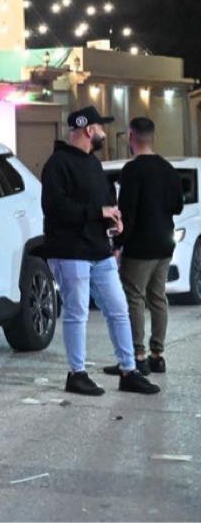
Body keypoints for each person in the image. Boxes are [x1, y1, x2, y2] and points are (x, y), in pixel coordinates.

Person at [40, 106, 159, 396]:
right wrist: (98, 212)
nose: (105, 134)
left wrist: (113, 221)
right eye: (101, 128)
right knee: (76, 312)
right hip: (70, 251)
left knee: (119, 309)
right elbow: (54, 207)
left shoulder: (93, 164)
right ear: (89, 129)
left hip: (99, 250)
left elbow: (104, 202)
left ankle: (129, 371)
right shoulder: (58, 163)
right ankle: (77, 374)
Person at [103, 117, 182, 376]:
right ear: (153, 136)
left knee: (134, 297)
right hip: (164, 243)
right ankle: (157, 355)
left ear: (131, 137)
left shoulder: (132, 170)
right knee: (158, 297)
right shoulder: (168, 169)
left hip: (140, 246)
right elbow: (178, 206)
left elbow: (127, 212)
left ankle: (137, 356)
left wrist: (118, 244)